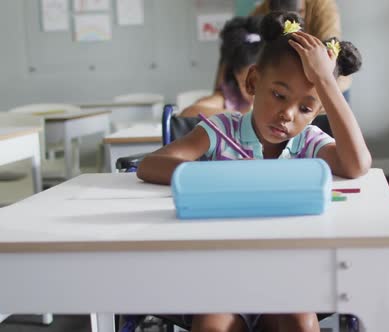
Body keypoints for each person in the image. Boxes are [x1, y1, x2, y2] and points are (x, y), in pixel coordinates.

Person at [137, 11, 370, 331]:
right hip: (222, 276)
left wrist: (326, 80)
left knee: (302, 323)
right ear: (252, 82)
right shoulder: (219, 131)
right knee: (212, 325)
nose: (288, 114)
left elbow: (357, 164)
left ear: (319, 111)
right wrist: (222, 176)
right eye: (278, 95)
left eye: (305, 107)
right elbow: (150, 165)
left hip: (291, 276)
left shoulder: (309, 143)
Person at [182, 16, 262, 117]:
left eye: (258, 83)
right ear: (236, 79)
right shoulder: (231, 98)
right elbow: (188, 113)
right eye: (244, 84)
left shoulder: (279, 100)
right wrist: (242, 118)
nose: (253, 93)